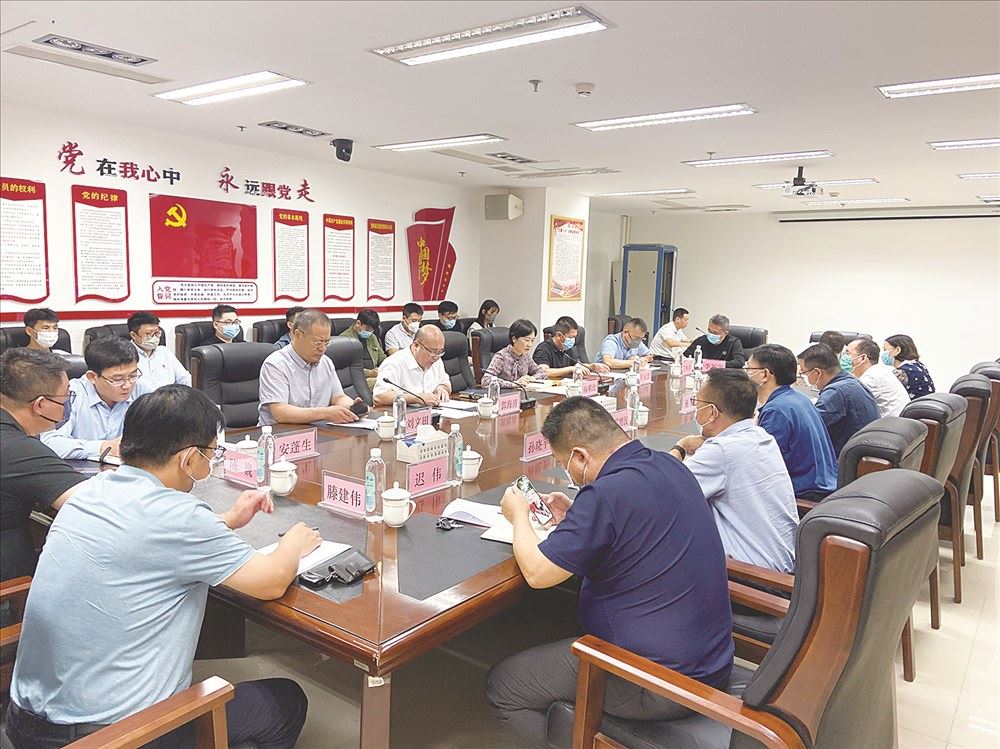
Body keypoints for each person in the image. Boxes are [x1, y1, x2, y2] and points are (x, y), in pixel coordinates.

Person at [5, 385, 318, 748]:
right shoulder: (180, 516)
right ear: (189, 459)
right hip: (109, 736)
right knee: (285, 700)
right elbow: (271, 581)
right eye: (211, 454)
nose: (210, 464)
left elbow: (145, 538)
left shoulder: (91, 490)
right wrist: (294, 541)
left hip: (25, 723)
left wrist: (225, 520)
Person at [486, 397, 734, 744]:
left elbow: (538, 574)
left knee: (505, 686)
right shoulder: (669, 465)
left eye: (563, 463)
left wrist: (520, 517)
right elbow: (635, 521)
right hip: (711, 659)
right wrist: (578, 513)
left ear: (580, 457)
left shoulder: (605, 494)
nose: (568, 472)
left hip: (654, 680)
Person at [669, 368, 798, 572]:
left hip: (753, 576)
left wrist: (680, 447)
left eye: (697, 403)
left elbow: (663, 489)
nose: (695, 410)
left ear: (712, 412)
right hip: (785, 563)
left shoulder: (722, 450)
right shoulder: (762, 437)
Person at [0, 349, 87, 581]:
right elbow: (92, 503)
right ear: (39, 405)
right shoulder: (18, 449)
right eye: (65, 398)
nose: (67, 405)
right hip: (11, 588)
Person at [747, 345, 838, 499]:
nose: (746, 374)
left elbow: (762, 467)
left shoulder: (776, 411)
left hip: (804, 493)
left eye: (749, 369)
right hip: (823, 484)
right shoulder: (798, 398)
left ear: (765, 374)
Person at [40, 337, 152, 460]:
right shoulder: (71, 395)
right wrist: (102, 447)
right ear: (92, 377)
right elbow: (50, 443)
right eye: (117, 379)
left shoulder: (142, 391)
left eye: (133, 375)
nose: (128, 385)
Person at [258, 309, 363, 426]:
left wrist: (353, 407)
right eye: (318, 342)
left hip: (319, 431)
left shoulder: (326, 362)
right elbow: (280, 412)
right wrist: (326, 413)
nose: (322, 348)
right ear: (298, 335)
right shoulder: (276, 364)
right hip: (281, 433)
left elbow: (338, 397)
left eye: (326, 342)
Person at [798, 343, 879, 457]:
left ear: (817, 372)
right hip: (861, 452)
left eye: (804, 373)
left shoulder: (836, 392)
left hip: (842, 459)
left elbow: (809, 429)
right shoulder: (850, 381)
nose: (804, 377)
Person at [373, 326, 452, 406]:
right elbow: (379, 397)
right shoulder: (395, 362)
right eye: (433, 351)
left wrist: (442, 388)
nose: (436, 357)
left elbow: (446, 384)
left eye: (440, 352)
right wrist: (415, 398)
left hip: (434, 410)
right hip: (405, 412)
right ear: (416, 345)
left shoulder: (436, 359)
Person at [844, 338, 910, 418]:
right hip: (898, 422)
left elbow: (847, 405)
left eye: (847, 353)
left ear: (862, 358)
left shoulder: (871, 379)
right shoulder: (881, 370)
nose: (843, 357)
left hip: (889, 424)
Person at [127, 311, 191, 389]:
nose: (154, 337)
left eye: (156, 333)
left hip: (169, 396)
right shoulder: (125, 355)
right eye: (148, 334)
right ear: (133, 335)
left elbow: (185, 379)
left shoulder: (165, 352)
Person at [531, 318, 608, 378]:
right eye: (571, 337)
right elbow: (544, 372)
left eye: (575, 337)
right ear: (559, 336)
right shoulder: (543, 349)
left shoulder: (567, 348)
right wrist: (571, 369)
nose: (573, 340)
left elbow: (577, 365)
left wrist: (593, 366)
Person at [482, 319, 547, 387]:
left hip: (521, 392)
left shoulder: (525, 356)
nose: (530, 344)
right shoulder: (501, 356)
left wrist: (532, 378)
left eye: (532, 340)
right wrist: (514, 384)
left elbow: (542, 372)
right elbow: (486, 380)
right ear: (514, 339)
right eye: (526, 340)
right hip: (504, 393)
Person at [340, 308, 386, 384]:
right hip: (359, 378)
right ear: (358, 323)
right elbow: (348, 368)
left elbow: (382, 357)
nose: (369, 332)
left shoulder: (372, 337)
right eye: (367, 328)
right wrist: (369, 373)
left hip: (375, 375)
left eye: (372, 330)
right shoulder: (345, 340)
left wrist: (389, 366)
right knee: (383, 383)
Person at [884, 334, 935, 399]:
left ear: (897, 350)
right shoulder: (919, 365)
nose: (884, 354)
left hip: (915, 404)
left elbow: (887, 394)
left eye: (885, 349)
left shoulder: (902, 372)